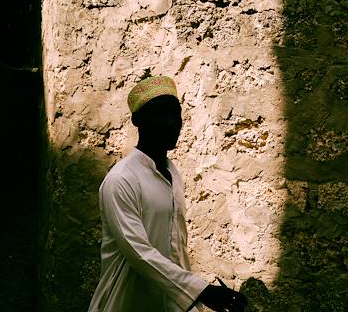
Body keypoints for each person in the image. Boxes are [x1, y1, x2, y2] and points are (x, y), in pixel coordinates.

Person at [88, 75, 247, 312]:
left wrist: (193, 301)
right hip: (126, 301)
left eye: (176, 115)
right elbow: (139, 253)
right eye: (162, 114)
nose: (173, 123)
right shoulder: (121, 180)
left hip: (171, 303)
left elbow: (175, 251)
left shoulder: (173, 174)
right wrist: (201, 291)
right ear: (138, 120)